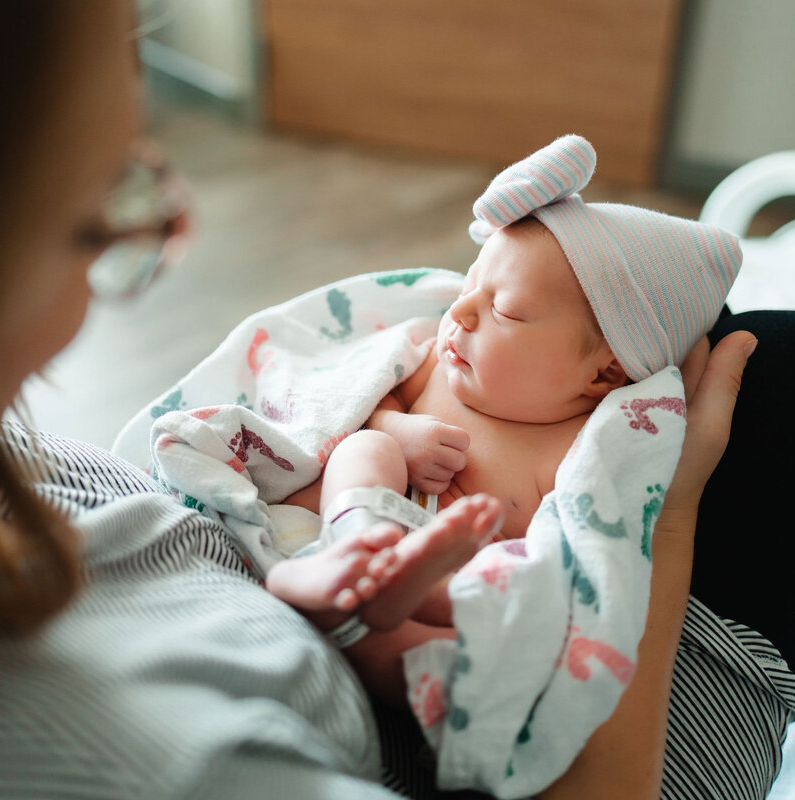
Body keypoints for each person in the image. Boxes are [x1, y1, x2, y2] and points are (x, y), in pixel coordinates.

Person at [0, 4, 795, 800]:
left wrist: (348, 519)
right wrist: (662, 522)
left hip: (328, 595)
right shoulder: (162, 765)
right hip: (508, 706)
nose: (452, 318)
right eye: (110, 211)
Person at [267, 134, 745, 706]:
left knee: (495, 605)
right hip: (338, 530)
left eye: (504, 309)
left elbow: (578, 541)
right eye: (470, 284)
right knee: (366, 450)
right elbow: (356, 401)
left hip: (440, 588)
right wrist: (398, 429)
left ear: (602, 376)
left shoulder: (582, 445)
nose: (461, 311)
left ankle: (402, 603)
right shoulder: (438, 372)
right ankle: (352, 554)